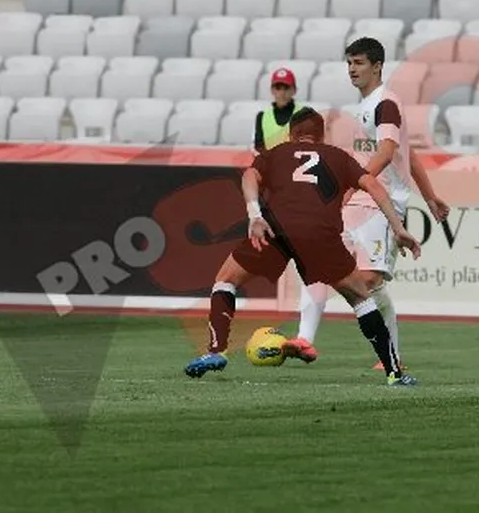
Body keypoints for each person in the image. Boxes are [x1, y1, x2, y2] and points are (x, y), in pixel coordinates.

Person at [183, 108, 421, 387]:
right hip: (321, 233)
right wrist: (398, 228)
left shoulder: (276, 153)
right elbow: (373, 185)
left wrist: (255, 215)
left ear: (290, 134)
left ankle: (216, 350)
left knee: (226, 279)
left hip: (277, 229)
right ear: (322, 136)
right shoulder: (338, 156)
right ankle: (394, 372)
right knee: (361, 298)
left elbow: (249, 176)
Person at [285, 37, 450, 370]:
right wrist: (430, 196)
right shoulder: (364, 107)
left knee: (369, 282)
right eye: (349, 63)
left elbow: (390, 152)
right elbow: (407, 153)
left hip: (382, 204)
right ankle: (304, 339)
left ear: (377, 66)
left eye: (358, 63)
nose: (352, 69)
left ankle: (391, 355)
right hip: (356, 200)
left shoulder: (386, 104)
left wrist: (425, 195)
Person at [254, 68, 304, 153]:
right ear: (272, 90)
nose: (282, 93)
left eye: (286, 88)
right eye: (278, 88)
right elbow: (258, 149)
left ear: (294, 90)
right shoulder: (262, 117)